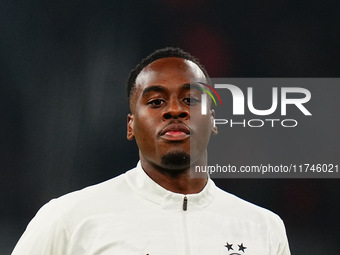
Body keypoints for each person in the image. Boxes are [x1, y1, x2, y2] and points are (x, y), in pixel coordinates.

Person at [12, 47, 290, 255]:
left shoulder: (263, 228)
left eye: (190, 99)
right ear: (131, 125)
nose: (175, 110)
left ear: (213, 121)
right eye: (156, 102)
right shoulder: (68, 218)